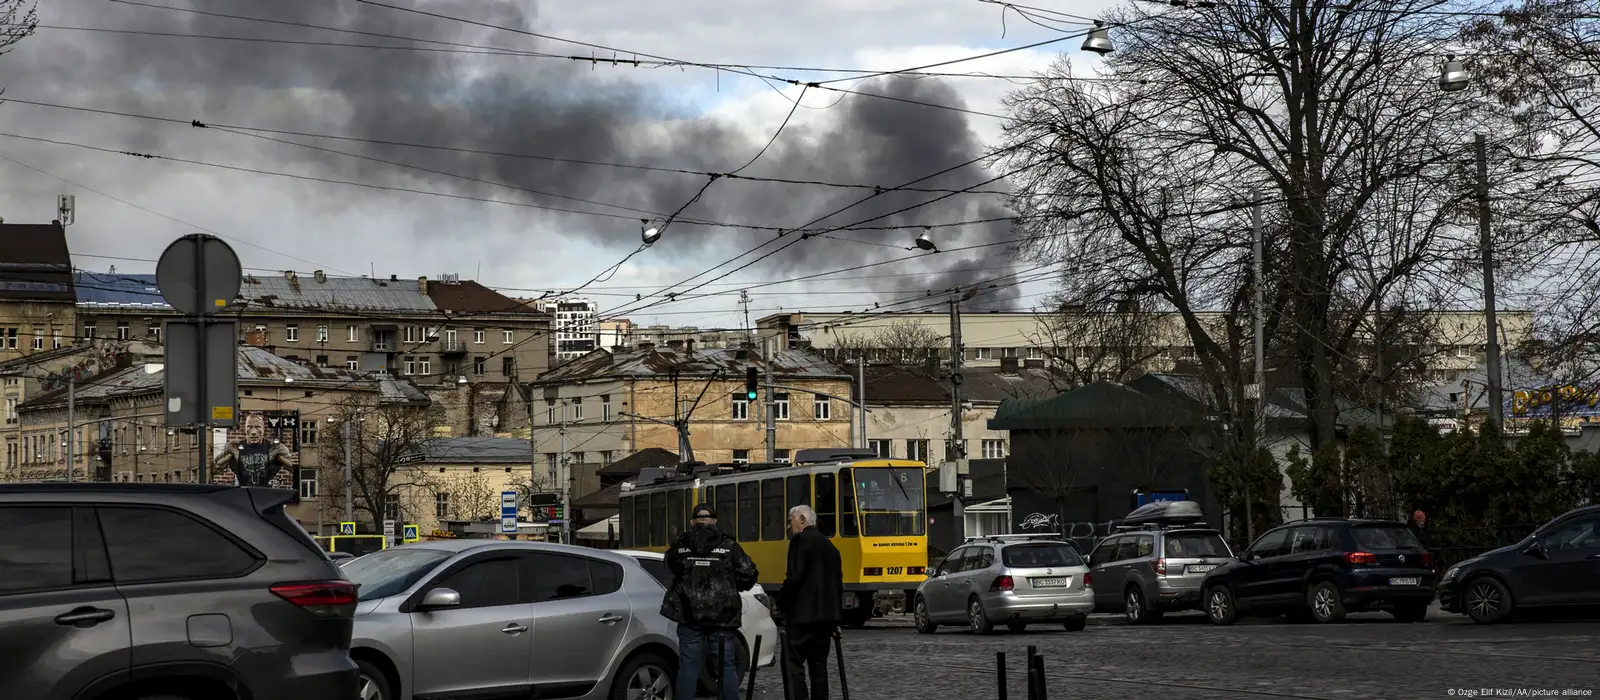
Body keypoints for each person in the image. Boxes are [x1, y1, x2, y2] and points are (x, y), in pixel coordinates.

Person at [661, 505, 757, 700]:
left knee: (688, 665)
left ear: (692, 522)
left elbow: (670, 565)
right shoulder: (729, 546)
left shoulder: (680, 545)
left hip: (689, 615)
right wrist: (730, 585)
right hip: (722, 616)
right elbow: (750, 574)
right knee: (725, 665)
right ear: (714, 521)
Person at [778, 504, 843, 700]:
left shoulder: (800, 541)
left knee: (793, 665)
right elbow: (837, 585)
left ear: (802, 520)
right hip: (825, 620)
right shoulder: (831, 547)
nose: (789, 527)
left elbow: (794, 577)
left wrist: (781, 602)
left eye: (791, 521)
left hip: (802, 618)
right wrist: (836, 619)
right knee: (819, 670)